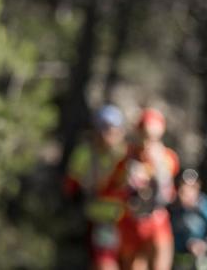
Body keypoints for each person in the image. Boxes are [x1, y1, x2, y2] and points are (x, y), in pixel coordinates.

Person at [104, 108, 180, 270]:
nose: (148, 141)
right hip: (131, 223)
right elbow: (111, 189)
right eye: (145, 135)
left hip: (157, 222)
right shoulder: (127, 159)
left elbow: (169, 193)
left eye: (153, 136)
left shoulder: (168, 158)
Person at [64, 104, 129, 269]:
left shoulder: (127, 153)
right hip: (100, 220)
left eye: (113, 128)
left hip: (129, 220)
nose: (108, 134)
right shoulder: (85, 153)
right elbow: (70, 186)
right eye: (104, 128)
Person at [168, 169, 207, 268]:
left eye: (191, 188)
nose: (186, 193)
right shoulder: (172, 208)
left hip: (201, 259)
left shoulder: (205, 206)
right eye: (183, 189)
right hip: (178, 260)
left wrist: (205, 245)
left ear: (198, 188)